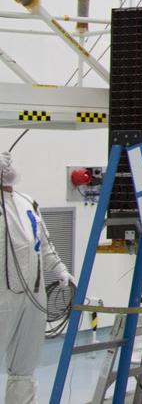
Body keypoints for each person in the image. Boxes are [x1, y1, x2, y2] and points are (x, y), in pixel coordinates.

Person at [0, 151, 72, 404]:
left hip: (33, 294)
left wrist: (61, 270)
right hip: (2, 296)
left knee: (25, 365)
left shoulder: (26, 201)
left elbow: (43, 244)